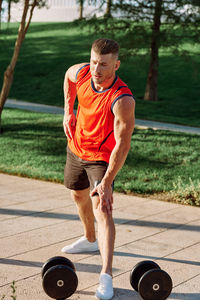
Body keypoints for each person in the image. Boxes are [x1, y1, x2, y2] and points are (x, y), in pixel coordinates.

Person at [62, 38, 135, 300]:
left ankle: (106, 275)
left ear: (116, 64)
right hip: (76, 147)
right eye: (94, 61)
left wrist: (106, 181)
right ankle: (90, 240)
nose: (96, 69)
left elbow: (122, 146)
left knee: (103, 208)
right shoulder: (81, 72)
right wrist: (68, 112)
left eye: (104, 64)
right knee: (77, 193)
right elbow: (68, 77)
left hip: (101, 158)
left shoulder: (122, 99)